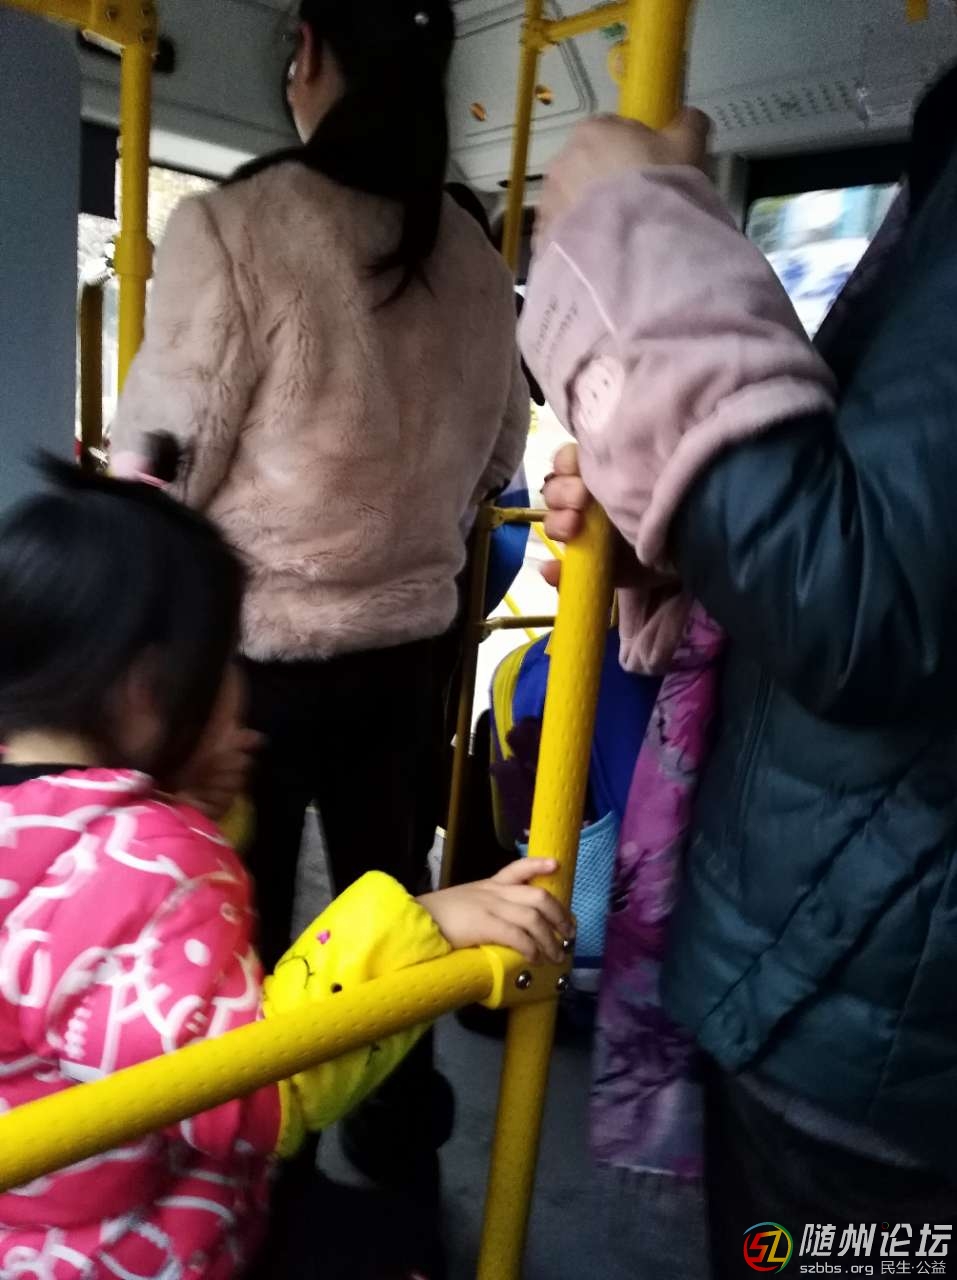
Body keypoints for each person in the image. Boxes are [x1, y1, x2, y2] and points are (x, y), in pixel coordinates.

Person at [524, 64, 957, 1278]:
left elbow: (857, 601)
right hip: (857, 952)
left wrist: (632, 240)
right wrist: (698, 552)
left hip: (868, 1007)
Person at [109, 0, 529, 1203]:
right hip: (407, 662)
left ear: (306, 50)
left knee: (236, 937)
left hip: (247, 670)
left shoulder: (238, 226)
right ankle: (400, 1164)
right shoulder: (472, 255)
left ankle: (256, 1187)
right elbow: (499, 457)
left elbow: (162, 465)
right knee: (397, 917)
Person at [0, 451, 572, 1279]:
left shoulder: (39, 827)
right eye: (226, 659)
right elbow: (249, 1094)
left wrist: (191, 806)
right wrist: (419, 929)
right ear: (150, 690)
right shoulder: (145, 863)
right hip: (146, 1247)